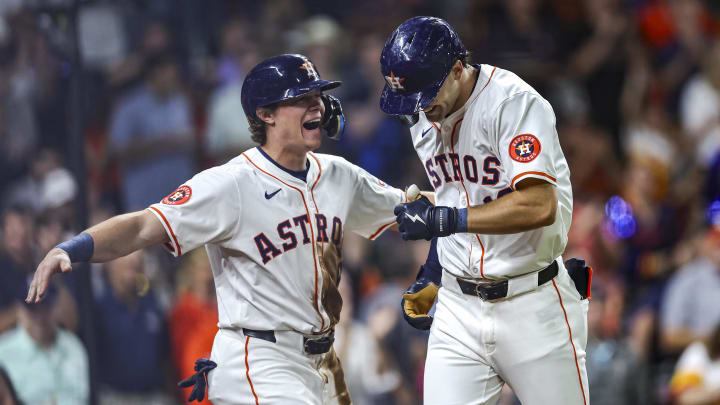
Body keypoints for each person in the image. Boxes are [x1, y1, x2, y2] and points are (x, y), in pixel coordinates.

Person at [26, 53, 414, 405]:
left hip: (325, 361)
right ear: (266, 114)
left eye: (318, 96)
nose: (318, 105)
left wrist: (468, 207)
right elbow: (145, 224)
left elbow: (413, 210)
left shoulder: (338, 176)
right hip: (263, 359)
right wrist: (72, 248)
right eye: (301, 98)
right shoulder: (231, 183)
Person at [381, 17, 590, 405]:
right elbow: (454, 197)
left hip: (533, 301)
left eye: (427, 96)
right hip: (458, 310)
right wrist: (433, 271)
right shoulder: (424, 114)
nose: (422, 109)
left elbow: (539, 202)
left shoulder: (512, 103)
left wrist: (445, 220)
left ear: (458, 69)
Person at [0, 282, 89, 405]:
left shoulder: (73, 346)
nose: (40, 316)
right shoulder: (4, 353)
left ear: (56, 307)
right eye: (32, 309)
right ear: (19, 311)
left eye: (45, 306)